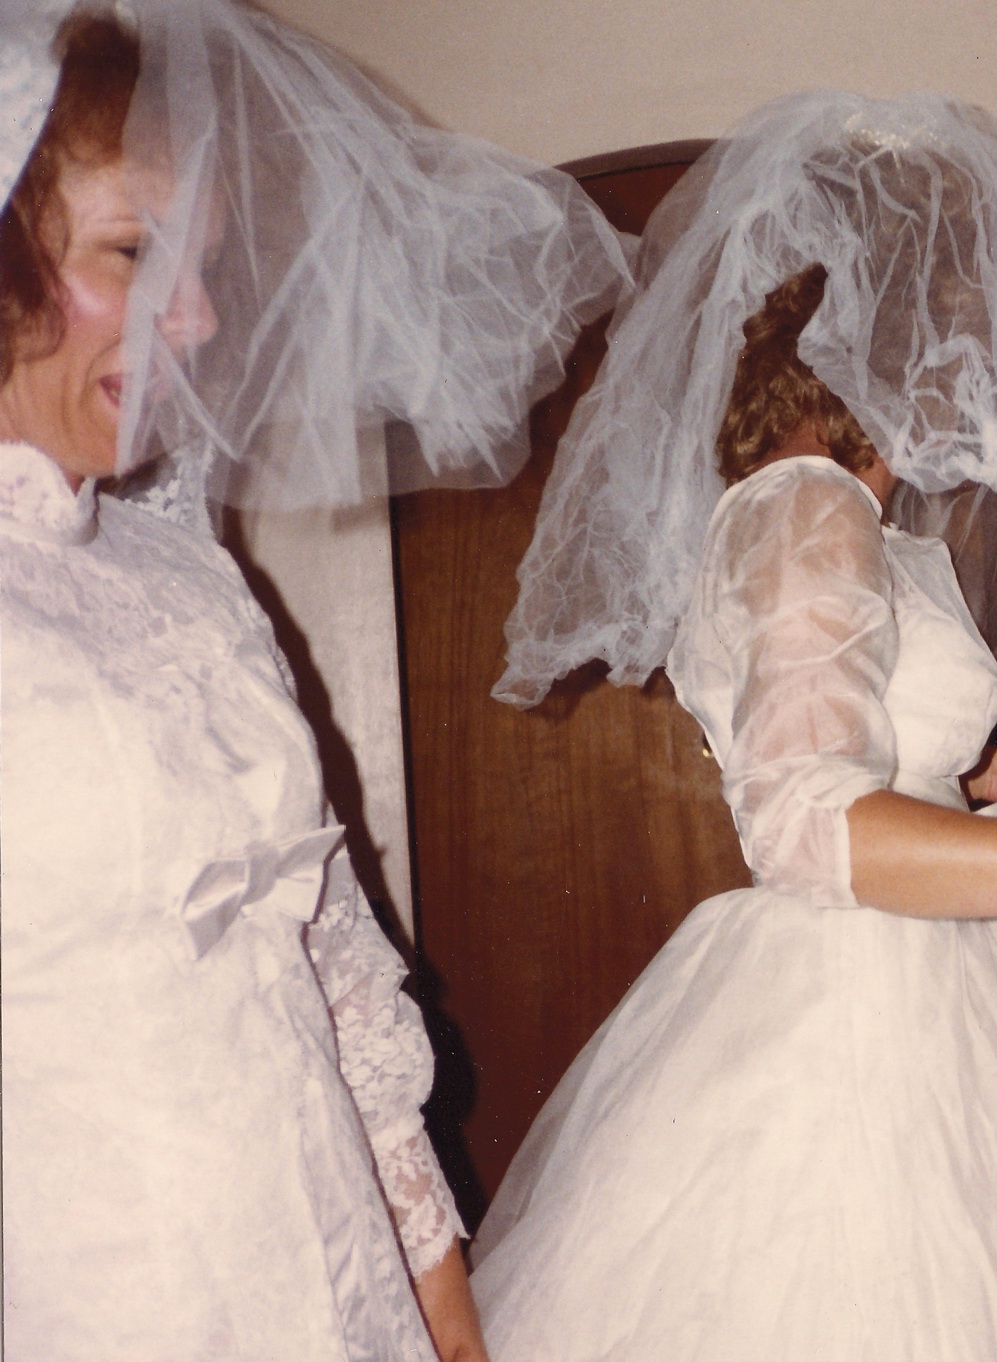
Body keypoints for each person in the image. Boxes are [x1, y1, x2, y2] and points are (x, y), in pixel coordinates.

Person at [469, 92, 997, 1360]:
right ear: (871, 352)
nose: (986, 374)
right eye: (965, 336)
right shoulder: (806, 508)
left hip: (940, 969)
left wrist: (971, 781)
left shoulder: (857, 524)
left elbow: (847, 758)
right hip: (869, 1011)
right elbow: (806, 820)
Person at [0, 4, 625, 1357]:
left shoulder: (182, 564)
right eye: (133, 251)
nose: (203, 310)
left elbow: (333, 961)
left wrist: (443, 1306)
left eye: (205, 262)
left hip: (323, 1256)